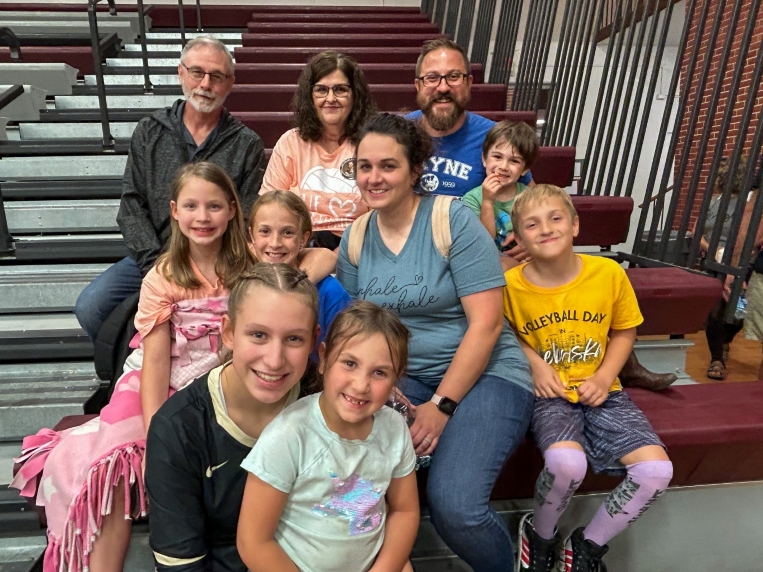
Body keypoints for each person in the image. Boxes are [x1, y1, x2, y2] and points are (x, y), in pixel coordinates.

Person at [12, 162, 253, 572]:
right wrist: (158, 433)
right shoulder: (163, 275)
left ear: (232, 209)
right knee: (117, 463)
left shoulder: (248, 269)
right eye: (191, 206)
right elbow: (157, 361)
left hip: (215, 379)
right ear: (174, 211)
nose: (203, 217)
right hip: (158, 375)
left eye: (214, 206)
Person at [336, 113, 534, 572]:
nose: (374, 177)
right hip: (407, 379)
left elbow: (486, 325)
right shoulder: (358, 236)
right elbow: (358, 325)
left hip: (488, 374)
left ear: (414, 170)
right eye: (364, 166)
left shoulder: (454, 220)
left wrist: (441, 406)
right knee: (351, 492)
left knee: (457, 508)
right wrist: (383, 386)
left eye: (388, 165)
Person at [503, 185, 673, 572]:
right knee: (567, 465)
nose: (545, 228)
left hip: (605, 391)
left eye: (556, 218)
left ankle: (586, 547)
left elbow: (624, 331)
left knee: (656, 471)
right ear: (520, 236)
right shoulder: (510, 287)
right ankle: (541, 537)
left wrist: (604, 375)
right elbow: (505, 334)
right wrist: (535, 365)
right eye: (532, 224)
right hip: (549, 395)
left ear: (576, 225)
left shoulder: (608, 273)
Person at [73, 36, 263, 342]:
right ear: (181, 73)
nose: (206, 84)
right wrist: (155, 264)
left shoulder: (246, 143)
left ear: (230, 83)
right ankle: (136, 360)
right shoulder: (149, 131)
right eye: (197, 72)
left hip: (216, 260)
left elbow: (244, 213)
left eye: (217, 76)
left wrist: (215, 264)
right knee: (92, 306)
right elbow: (132, 204)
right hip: (154, 256)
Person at [146, 263, 321, 572]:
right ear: (227, 331)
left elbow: (360, 519)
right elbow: (181, 564)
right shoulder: (177, 428)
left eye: (294, 339)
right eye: (258, 335)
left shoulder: (326, 405)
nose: (274, 359)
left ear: (313, 339)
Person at [238, 301, 419, 572]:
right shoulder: (289, 435)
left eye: (379, 372)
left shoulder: (394, 427)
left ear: (396, 378)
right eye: (349, 363)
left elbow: (405, 511)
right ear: (323, 359)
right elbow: (253, 543)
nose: (360, 385)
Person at [261, 51, 378, 250]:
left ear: (355, 94)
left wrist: (338, 255)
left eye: (340, 89)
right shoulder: (290, 142)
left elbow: (382, 214)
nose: (330, 98)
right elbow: (269, 208)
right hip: (297, 246)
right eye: (321, 90)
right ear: (310, 96)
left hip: (359, 247)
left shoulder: (373, 143)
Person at [406, 39, 533, 200]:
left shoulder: (497, 138)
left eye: (454, 76)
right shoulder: (397, 134)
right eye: (432, 78)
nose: (443, 87)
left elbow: (532, 207)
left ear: (469, 83)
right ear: (418, 85)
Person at [248, 190, 351, 358]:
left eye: (288, 232)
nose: (275, 243)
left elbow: (345, 352)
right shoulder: (242, 283)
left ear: (304, 239)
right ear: (252, 235)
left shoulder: (330, 291)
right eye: (265, 231)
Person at [463, 120, 538, 261]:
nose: (503, 166)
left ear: (525, 169)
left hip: (526, 261)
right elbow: (483, 242)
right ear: (484, 159)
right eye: (497, 157)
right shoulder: (472, 198)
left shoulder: (530, 197)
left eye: (514, 161)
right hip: (487, 262)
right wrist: (487, 202)